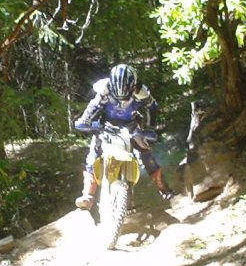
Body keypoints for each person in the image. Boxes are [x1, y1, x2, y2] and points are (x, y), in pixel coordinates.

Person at [73, 63, 174, 210]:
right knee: (93, 153)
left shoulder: (142, 92)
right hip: (107, 124)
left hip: (132, 125)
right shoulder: (104, 88)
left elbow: (153, 107)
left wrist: (150, 128)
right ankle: (88, 195)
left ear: (133, 86)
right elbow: (93, 105)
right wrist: (85, 121)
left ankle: (164, 189)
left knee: (146, 154)